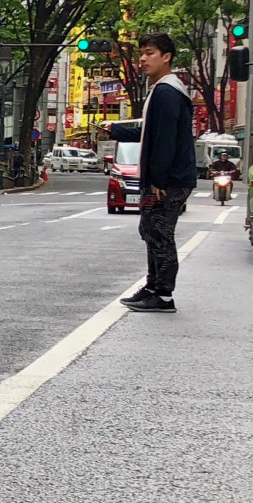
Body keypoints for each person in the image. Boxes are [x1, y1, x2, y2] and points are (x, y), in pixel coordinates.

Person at [99, 33, 196, 312]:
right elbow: (150, 133)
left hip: (168, 180)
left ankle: (163, 295)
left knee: (160, 233)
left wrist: (158, 180)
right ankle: (153, 287)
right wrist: (116, 130)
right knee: (151, 230)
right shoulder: (162, 89)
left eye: (150, 53)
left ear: (167, 57)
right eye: (141, 53)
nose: (142, 58)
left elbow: (165, 140)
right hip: (167, 177)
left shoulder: (167, 91)